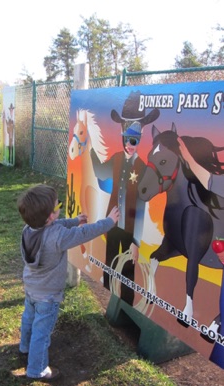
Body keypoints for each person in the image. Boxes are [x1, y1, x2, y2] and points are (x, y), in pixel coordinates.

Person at [17, 184, 120, 381]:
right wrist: (109, 222)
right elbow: (84, 234)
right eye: (59, 206)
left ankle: (24, 348)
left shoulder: (28, 229)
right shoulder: (57, 237)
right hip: (48, 296)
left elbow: (56, 225)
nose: (60, 208)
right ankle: (37, 370)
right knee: (42, 332)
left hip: (31, 287)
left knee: (29, 319)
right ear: (50, 216)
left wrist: (74, 221)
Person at [91, 91, 159, 304]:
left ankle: (127, 304)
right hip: (112, 222)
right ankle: (109, 300)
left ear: (139, 140)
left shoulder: (142, 167)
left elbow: (141, 207)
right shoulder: (117, 158)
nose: (129, 144)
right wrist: (91, 148)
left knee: (128, 268)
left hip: (130, 228)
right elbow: (101, 173)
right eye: (127, 139)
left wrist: (137, 240)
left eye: (134, 140)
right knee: (110, 260)